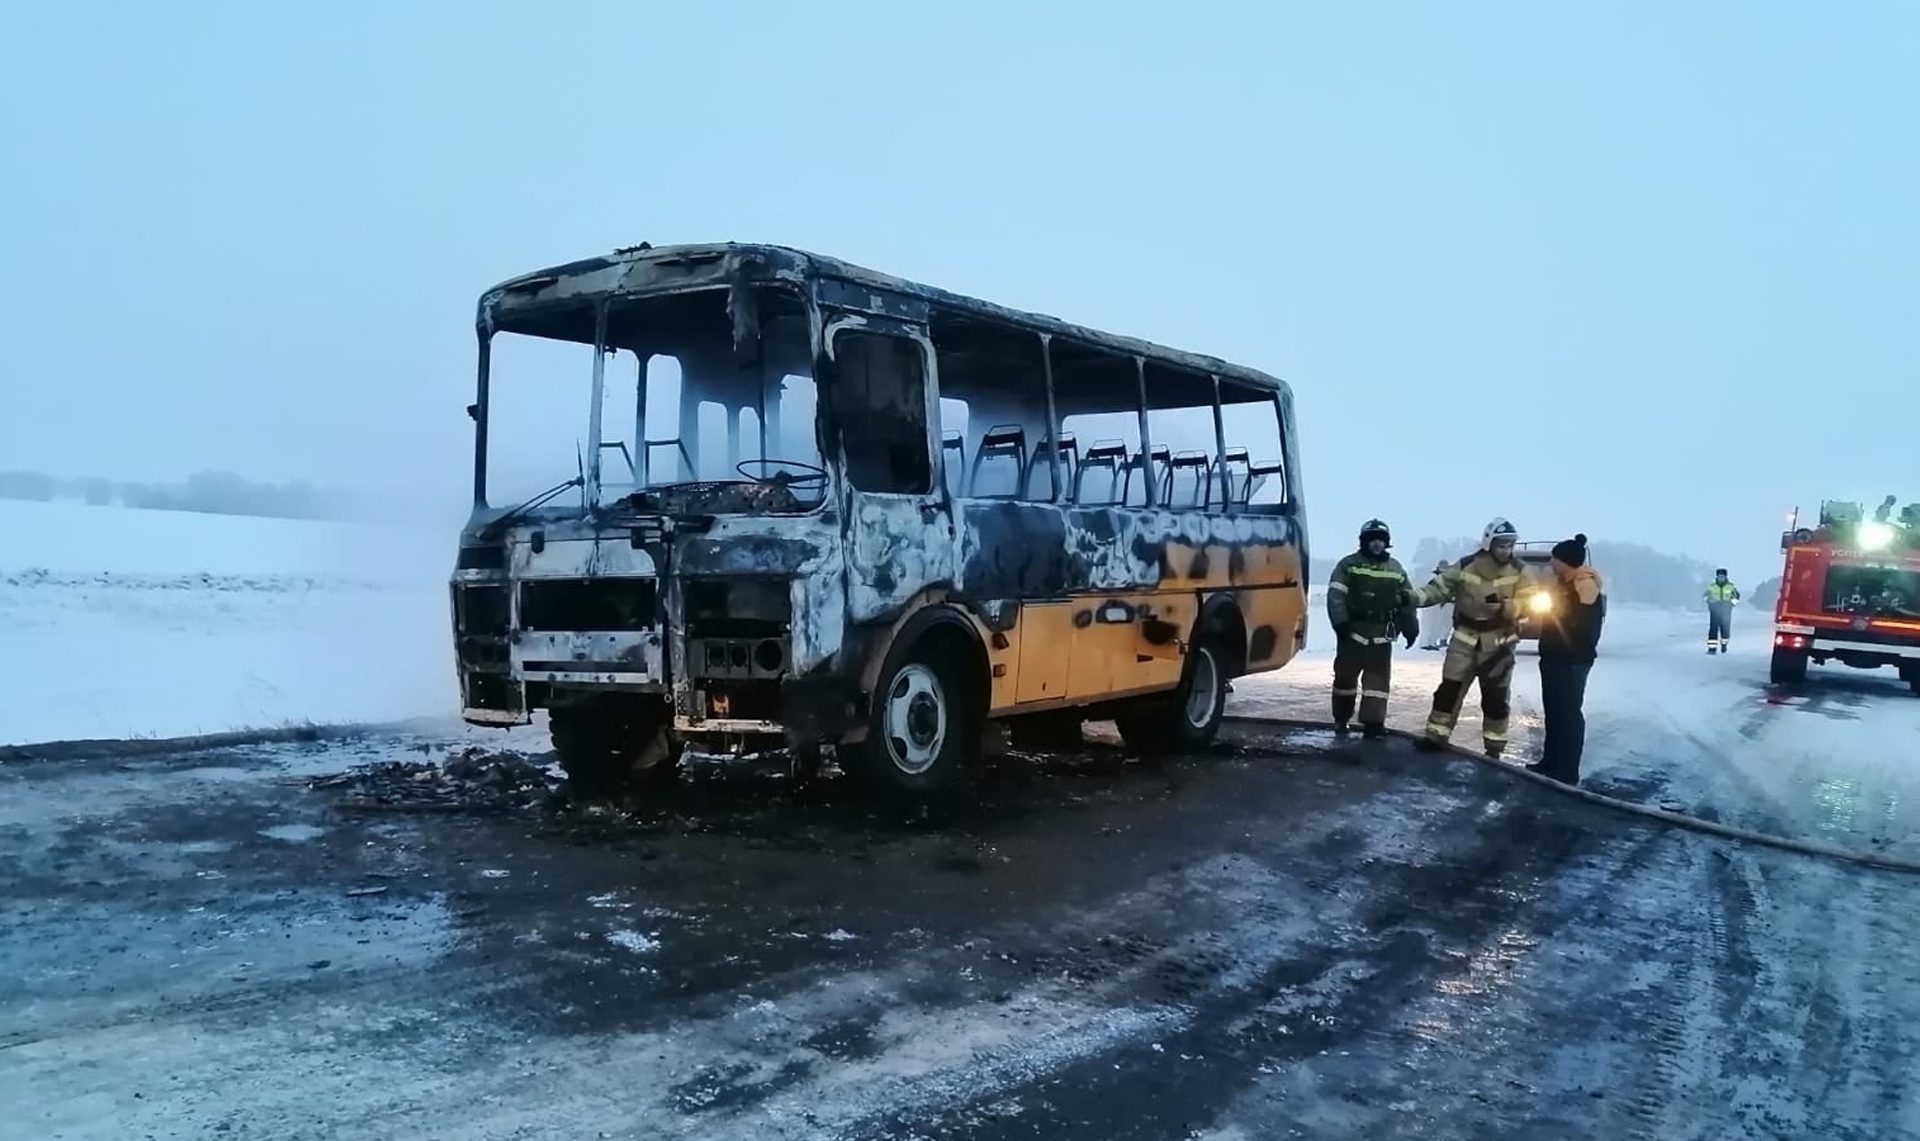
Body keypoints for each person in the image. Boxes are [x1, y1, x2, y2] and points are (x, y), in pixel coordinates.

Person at [1405, 518, 1528, 758]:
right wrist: (1411, 598)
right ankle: (1436, 736)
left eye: (1510, 546)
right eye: (1502, 545)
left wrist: (1505, 606)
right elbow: (1438, 588)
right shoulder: (1465, 566)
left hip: (1499, 642)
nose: (1507, 551)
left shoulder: (1520, 571)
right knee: (1449, 690)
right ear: (1488, 543)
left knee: (1496, 697)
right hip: (1464, 639)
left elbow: (1531, 602)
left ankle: (1494, 748)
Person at [1325, 519, 1419, 738]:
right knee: (1345, 680)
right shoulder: (1348, 565)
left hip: (1381, 636)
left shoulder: (1396, 569)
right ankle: (1341, 719)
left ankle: (1373, 725)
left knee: (1377, 684)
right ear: (1363, 542)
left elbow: (1407, 600)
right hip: (1352, 633)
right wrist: (1341, 623)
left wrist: (1410, 626)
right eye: (1371, 539)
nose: (1376, 544)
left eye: (1380, 539)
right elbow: (1335, 595)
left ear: (1387, 543)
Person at [1529, 533, 1605, 786]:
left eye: (1554, 559)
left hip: (1571, 661)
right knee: (1554, 711)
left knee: (1569, 713)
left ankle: (1568, 770)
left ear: (1566, 561)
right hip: (1553, 658)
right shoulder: (1561, 583)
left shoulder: (1585, 585)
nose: (1551, 563)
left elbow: (1585, 628)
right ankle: (1550, 762)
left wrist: (1571, 652)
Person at [1704, 569, 1741, 654]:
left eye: (1722, 576)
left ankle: (1724, 644)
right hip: (1714, 610)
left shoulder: (1731, 586)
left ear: (1725, 577)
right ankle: (1712, 649)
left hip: (1726, 611)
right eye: (1719, 576)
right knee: (1713, 629)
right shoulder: (1712, 587)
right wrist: (1710, 602)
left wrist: (1731, 604)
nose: (1721, 578)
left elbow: (1736, 597)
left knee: (1725, 629)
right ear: (1716, 577)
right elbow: (1705, 596)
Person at [1418, 561, 1453, 649]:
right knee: (1427, 624)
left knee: (1437, 624)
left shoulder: (1448, 579)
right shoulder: (1431, 578)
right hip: (1429, 603)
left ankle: (1432, 643)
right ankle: (1425, 643)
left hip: (1440, 605)